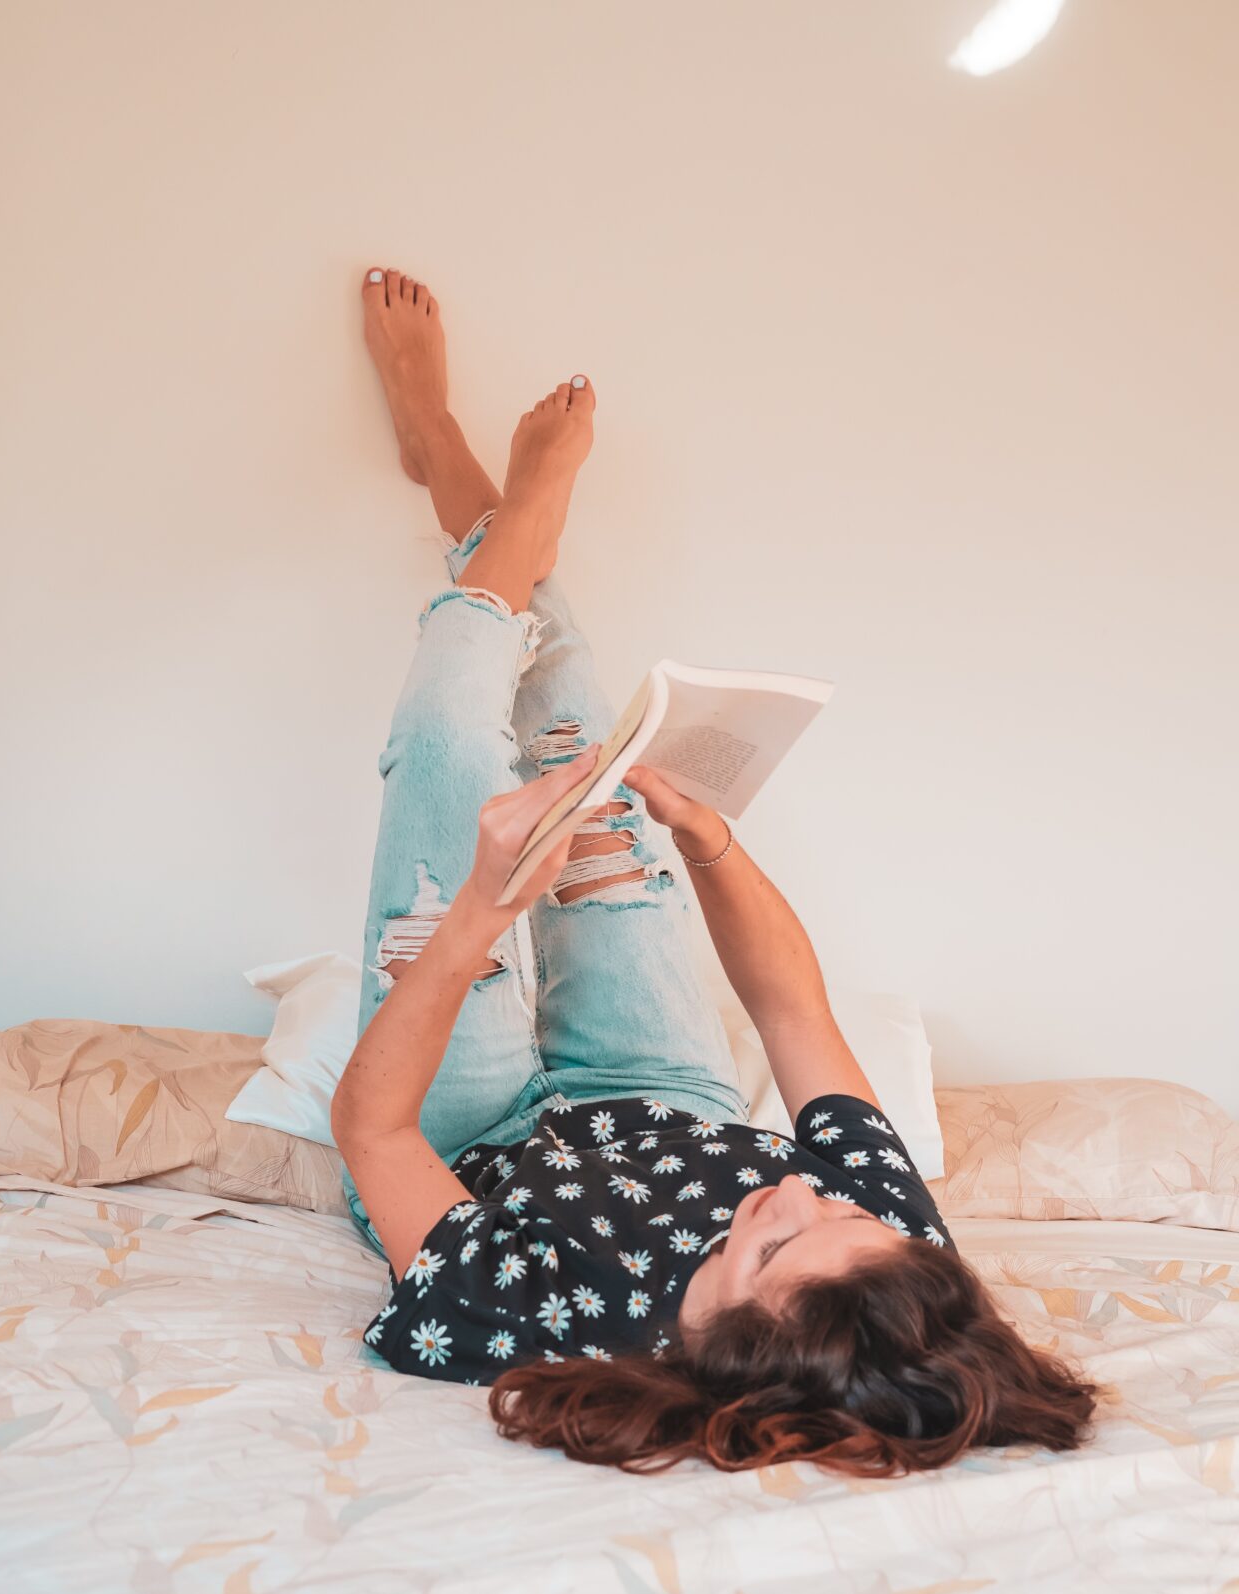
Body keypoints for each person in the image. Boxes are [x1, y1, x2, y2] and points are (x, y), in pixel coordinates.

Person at [332, 264, 1101, 1477]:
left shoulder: (536, 1330)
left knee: (443, 748)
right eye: (839, 1207)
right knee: (574, 713)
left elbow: (371, 1129)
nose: (806, 1196)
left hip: (455, 1128)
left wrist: (484, 908)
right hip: (657, 1079)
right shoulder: (886, 1264)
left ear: (727, 1345)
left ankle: (487, 492)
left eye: (773, 1245)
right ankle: (457, 466)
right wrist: (711, 842)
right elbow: (792, 1013)